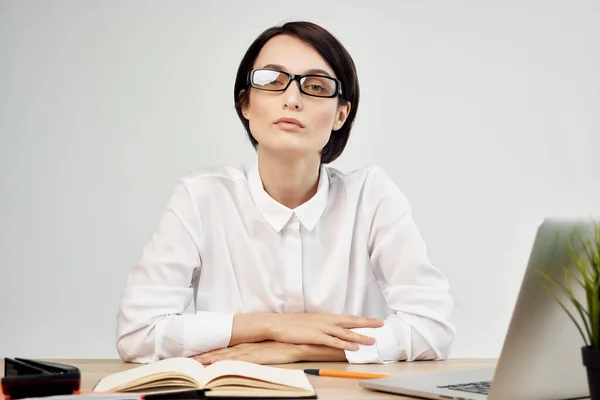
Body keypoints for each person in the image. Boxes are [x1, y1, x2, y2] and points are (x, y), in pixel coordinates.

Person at [116, 21, 455, 366]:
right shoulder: (200, 197)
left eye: (316, 86)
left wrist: (297, 349)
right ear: (245, 103)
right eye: (272, 81)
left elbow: (432, 329)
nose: (292, 99)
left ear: (341, 114)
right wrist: (275, 325)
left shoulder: (371, 197)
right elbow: (137, 333)